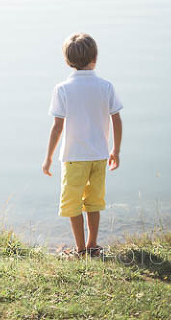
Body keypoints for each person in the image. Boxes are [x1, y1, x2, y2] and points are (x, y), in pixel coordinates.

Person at [42, 33, 123, 258]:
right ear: (95, 58)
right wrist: (115, 150)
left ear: (68, 61)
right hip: (99, 155)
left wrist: (48, 157)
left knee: (73, 203)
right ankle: (93, 244)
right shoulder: (106, 86)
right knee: (94, 201)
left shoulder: (62, 89)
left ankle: (80, 249)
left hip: (73, 156)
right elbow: (116, 118)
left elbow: (57, 126)